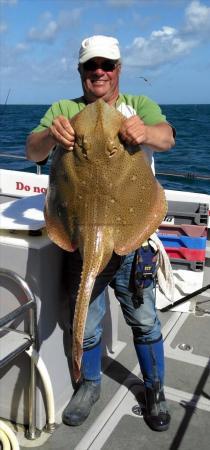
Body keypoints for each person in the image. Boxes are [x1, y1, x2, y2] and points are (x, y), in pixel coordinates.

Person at [26, 35, 175, 432]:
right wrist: (49, 136)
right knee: (87, 322)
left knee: (144, 320)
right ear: (81, 72)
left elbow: (168, 137)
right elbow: (32, 151)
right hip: (83, 235)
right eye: (92, 66)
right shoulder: (64, 109)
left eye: (107, 65)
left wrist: (145, 133)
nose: (100, 72)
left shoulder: (137, 106)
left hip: (132, 237)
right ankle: (88, 385)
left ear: (119, 70)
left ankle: (155, 388)